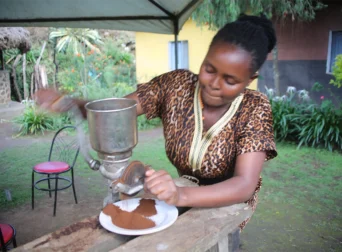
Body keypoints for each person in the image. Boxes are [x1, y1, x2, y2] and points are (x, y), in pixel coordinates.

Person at [35, 14, 277, 230]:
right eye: (209, 69)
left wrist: (180, 195)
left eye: (230, 80)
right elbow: (116, 110)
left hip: (227, 207)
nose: (214, 83)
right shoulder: (175, 86)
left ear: (249, 79)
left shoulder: (255, 108)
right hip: (179, 197)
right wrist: (69, 102)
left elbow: (245, 184)